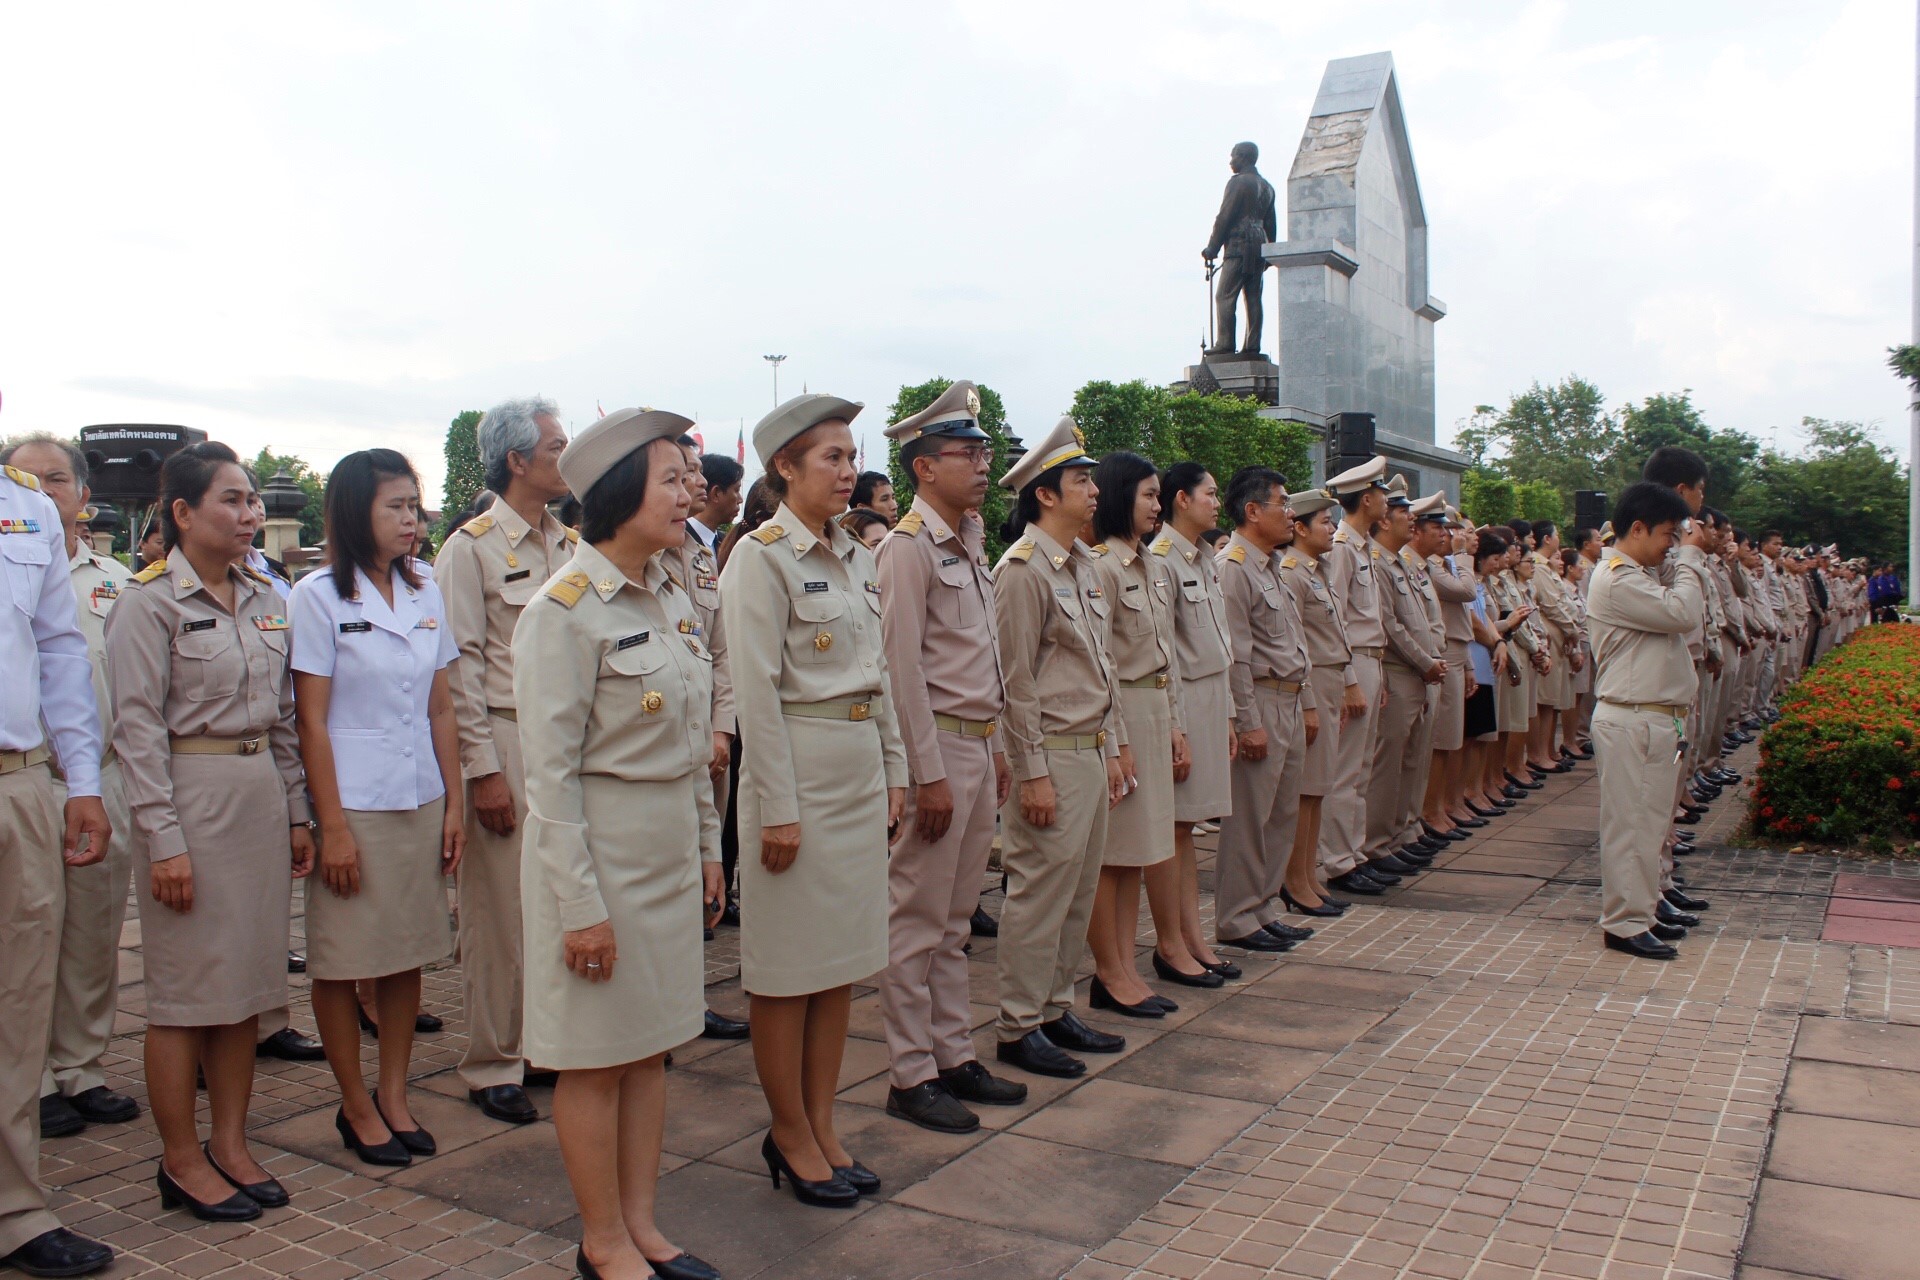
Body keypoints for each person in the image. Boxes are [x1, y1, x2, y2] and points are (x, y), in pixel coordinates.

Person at [515, 408, 725, 1280]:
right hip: (598, 858)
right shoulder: (562, 611)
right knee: (595, 1060)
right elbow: (550, 781)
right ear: (616, 495)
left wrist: (710, 846)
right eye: (671, 479)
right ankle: (601, 1240)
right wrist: (580, 908)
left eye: (690, 477)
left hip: (669, 851)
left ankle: (643, 1225)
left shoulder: (669, 593)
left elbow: (689, 745)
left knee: (650, 1049)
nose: (691, 494)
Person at [107, 442, 315, 1222]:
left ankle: (231, 1143)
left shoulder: (267, 594)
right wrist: (162, 839)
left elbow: (285, 718)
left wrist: (297, 813)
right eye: (231, 500)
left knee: (248, 992)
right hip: (189, 803)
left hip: (259, 796)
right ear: (184, 513)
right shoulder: (148, 603)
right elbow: (135, 731)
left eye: (254, 499)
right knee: (187, 996)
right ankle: (181, 1158)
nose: (250, 513)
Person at [721, 393, 907, 1207]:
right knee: (786, 972)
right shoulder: (758, 559)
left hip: (859, 770)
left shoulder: (860, 557)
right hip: (796, 775)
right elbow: (755, 694)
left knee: (838, 969)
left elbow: (880, 675)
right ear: (784, 469)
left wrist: (897, 768)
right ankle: (787, 1130)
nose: (847, 469)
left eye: (850, 454)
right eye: (829, 457)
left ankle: (824, 1123)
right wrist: (777, 806)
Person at [289, 450, 463, 1168]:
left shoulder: (424, 591)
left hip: (418, 794)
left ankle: (394, 1093)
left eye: (414, 506)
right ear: (356, 511)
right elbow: (311, 721)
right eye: (395, 506)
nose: (412, 521)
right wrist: (331, 827)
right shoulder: (317, 597)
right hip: (353, 804)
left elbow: (442, 706)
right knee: (343, 958)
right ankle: (354, 1102)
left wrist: (453, 802)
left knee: (404, 954)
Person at [874, 380, 1027, 1135]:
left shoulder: (969, 543)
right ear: (925, 467)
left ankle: (952, 1052)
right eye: (968, 453)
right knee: (916, 918)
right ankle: (909, 1072)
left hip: (975, 747)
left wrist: (995, 748)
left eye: (984, 450)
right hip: (937, 752)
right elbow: (902, 672)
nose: (982, 463)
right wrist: (925, 773)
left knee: (957, 920)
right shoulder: (906, 550)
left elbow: (983, 660)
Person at [434, 396, 573, 1125]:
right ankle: (493, 1060)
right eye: (555, 446)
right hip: (508, 739)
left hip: (564, 745)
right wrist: (482, 769)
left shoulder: (571, 545)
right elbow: (456, 669)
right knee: (497, 913)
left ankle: (542, 1044)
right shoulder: (471, 548)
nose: (566, 456)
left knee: (556, 902)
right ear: (517, 460)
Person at [0, 438, 141, 1139]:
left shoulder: (114, 579)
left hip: (94, 777)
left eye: (60, 478)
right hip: (29, 774)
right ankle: (32, 1085)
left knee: (90, 934)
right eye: (35, 476)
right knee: (25, 948)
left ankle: (79, 1066)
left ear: (84, 496)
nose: (47, 489)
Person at [0, 459, 115, 1278]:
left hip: (16, 782)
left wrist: (80, 781)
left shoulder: (27, 513)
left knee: (17, 1006)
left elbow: (58, 649)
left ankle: (13, 1208)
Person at [989, 417, 1127, 1080]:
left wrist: (1117, 743)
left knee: (1076, 891)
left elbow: (1102, 662)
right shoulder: (1021, 571)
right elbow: (1013, 683)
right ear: (1046, 494)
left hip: (1090, 747)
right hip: (1051, 752)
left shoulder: (1082, 567)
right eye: (1080, 480)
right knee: (1040, 891)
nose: (1094, 491)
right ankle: (1018, 1024)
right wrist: (1031, 773)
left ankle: (1054, 1006)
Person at [1586, 482, 1710, 961]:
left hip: (1652, 718)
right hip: (1632, 718)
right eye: (1665, 535)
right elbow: (1683, 612)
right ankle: (1624, 923)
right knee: (1631, 827)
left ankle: (1642, 911)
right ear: (1636, 529)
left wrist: (1682, 558)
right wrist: (1692, 559)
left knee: (1649, 825)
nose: (1671, 545)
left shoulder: (1637, 572)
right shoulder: (1618, 578)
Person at [1085, 452, 1190, 1010]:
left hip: (1151, 710)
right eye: (1148, 495)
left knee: (1140, 851)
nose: (1156, 505)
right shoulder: (1102, 566)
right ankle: (1110, 970)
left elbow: (1163, 654)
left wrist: (1173, 723)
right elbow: (1100, 663)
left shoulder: (1151, 564)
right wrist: (1117, 739)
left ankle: (1125, 964)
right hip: (1120, 713)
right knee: (1114, 854)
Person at [1214, 467, 1321, 946]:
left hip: (1290, 699)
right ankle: (1237, 918)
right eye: (1282, 503)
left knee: (1281, 815)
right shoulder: (1234, 567)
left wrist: (1310, 701)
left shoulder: (1272, 566)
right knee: (1250, 820)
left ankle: (1263, 907)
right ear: (1252, 511)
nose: (1291, 514)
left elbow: (1295, 640)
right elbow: (1234, 653)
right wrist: (1247, 722)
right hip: (1260, 698)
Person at [1144, 463, 1240, 985]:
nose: (1215, 501)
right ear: (1182, 499)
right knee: (1175, 826)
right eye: (1208, 492)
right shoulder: (1161, 560)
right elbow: (1167, 654)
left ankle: (1191, 936)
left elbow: (1217, 644)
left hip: (1209, 698)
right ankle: (1172, 941)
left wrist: (1226, 713)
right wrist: (1178, 724)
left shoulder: (1202, 559)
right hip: (1180, 703)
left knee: (1188, 826)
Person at [669, 435, 750, 1044]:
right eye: (682, 473)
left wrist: (722, 726)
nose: (693, 484)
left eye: (694, 472)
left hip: (705, 741)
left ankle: (685, 1000)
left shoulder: (702, 553)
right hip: (656, 746)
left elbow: (717, 650)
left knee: (701, 881)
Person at [1274, 489, 1359, 910]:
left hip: (1328, 682)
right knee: (1305, 789)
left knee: (1319, 786)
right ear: (1301, 528)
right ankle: (1294, 879)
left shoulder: (1318, 570)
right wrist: (1308, 700)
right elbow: (1296, 644)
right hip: (1310, 684)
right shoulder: (1292, 571)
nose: (1331, 528)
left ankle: (1308, 873)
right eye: (1324, 522)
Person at [1319, 458, 1390, 895]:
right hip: (1355, 660)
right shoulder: (1343, 547)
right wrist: (1349, 680)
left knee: (1361, 767)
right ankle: (1338, 860)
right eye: (1382, 492)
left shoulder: (1360, 545)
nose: (1386, 499)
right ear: (1366, 498)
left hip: (1371, 659)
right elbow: (1335, 618)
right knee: (1346, 770)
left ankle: (1355, 852)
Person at [696, 453, 745, 539]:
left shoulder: (724, 543)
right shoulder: (679, 542)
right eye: (736, 490)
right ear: (716, 493)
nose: (740, 500)